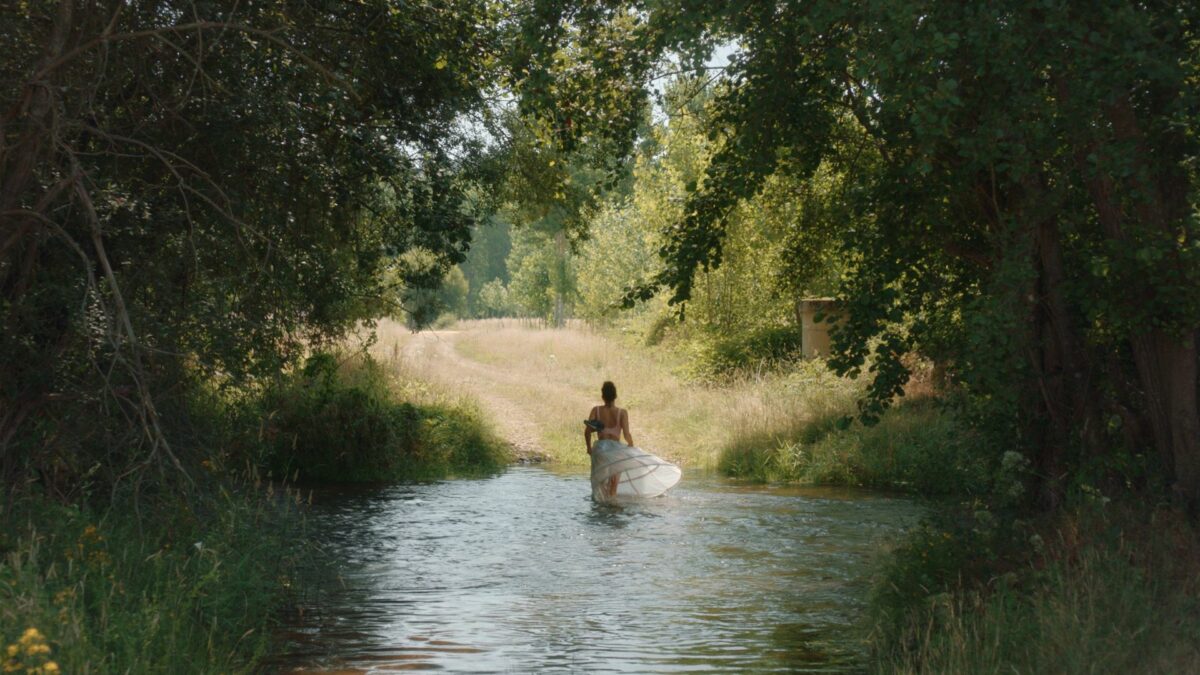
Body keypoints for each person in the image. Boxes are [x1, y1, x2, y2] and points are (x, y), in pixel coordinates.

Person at [584, 381, 681, 502]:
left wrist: (588, 448)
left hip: (601, 449)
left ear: (602, 396)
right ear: (615, 396)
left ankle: (602, 507)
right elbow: (626, 434)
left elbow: (587, 431)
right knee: (614, 482)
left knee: (601, 480)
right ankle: (612, 504)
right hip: (616, 450)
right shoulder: (622, 413)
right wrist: (631, 447)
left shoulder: (596, 410)